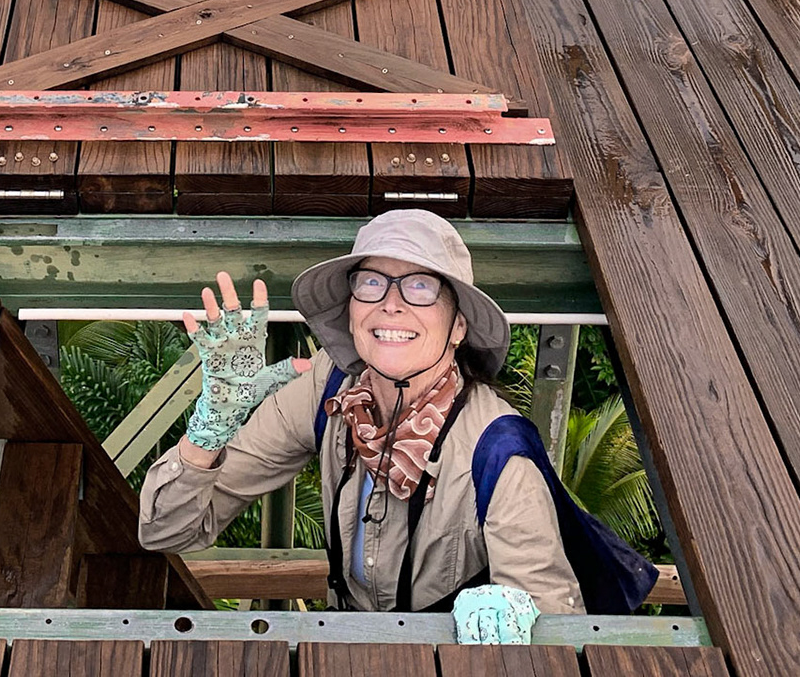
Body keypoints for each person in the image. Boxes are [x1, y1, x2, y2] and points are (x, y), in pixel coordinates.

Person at [137, 209, 655, 643]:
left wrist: (519, 620)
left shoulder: (498, 450)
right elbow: (168, 530)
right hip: (345, 647)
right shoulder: (329, 389)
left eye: (421, 286)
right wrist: (210, 428)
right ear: (351, 308)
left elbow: (553, 632)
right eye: (371, 282)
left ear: (458, 327)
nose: (391, 301)